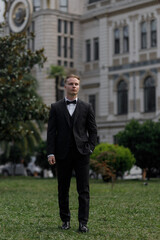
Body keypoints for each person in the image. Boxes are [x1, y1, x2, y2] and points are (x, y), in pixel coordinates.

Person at [47, 74, 97, 233]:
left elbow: (93, 130)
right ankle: (65, 220)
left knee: (83, 190)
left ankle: (83, 222)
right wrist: (50, 153)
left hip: (82, 153)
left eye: (76, 84)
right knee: (63, 189)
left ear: (79, 86)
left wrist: (90, 148)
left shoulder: (87, 107)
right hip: (62, 154)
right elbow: (51, 132)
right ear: (65, 86)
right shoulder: (55, 107)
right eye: (70, 84)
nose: (74, 86)